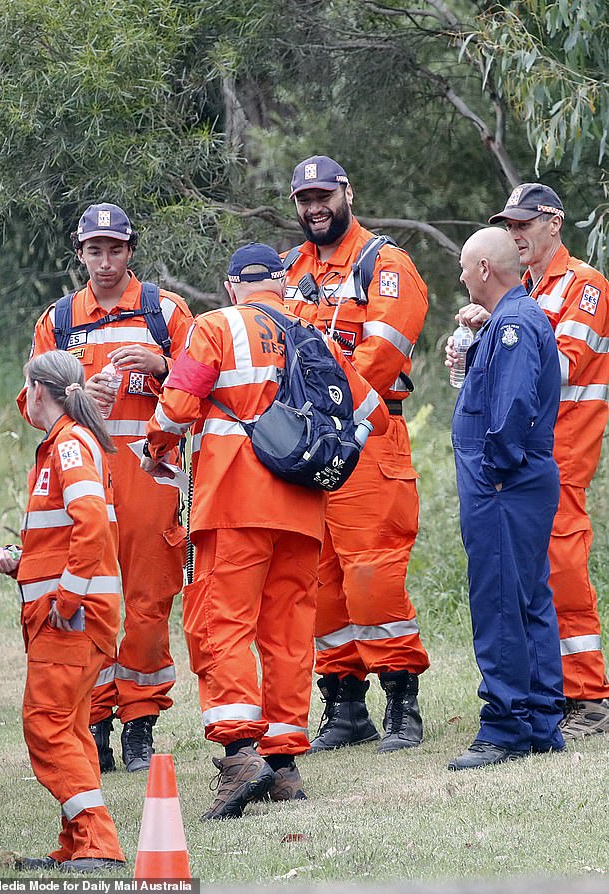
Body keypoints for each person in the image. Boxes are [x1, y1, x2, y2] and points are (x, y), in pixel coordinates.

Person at [141, 243, 389, 820]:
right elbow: (372, 414)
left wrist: (157, 448)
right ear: (281, 283)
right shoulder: (317, 335)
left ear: (232, 287)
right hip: (304, 508)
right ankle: (283, 767)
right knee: (288, 633)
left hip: (232, 501)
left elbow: (177, 408)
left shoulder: (213, 327)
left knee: (220, 623)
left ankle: (238, 754)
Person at [18, 203, 194, 773]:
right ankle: (92, 723)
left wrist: (163, 364)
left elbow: (203, 386)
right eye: (94, 250)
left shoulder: (165, 312)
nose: (106, 261)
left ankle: (140, 723)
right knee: (89, 596)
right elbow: (32, 403)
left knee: (146, 601)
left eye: (115, 249)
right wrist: (78, 399)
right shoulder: (60, 320)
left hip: (149, 479)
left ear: (130, 250)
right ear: (80, 254)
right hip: (83, 480)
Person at [283, 155, 430, 753]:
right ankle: (344, 705)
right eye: (304, 198)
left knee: (371, 572)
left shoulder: (385, 265)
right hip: (309, 444)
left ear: (347, 192)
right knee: (319, 579)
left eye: (324, 195)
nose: (315, 207)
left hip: (367, 436)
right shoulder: (294, 269)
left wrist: (323, 399)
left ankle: (401, 700)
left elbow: (384, 353)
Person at [451, 183, 609, 738]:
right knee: (532, 579)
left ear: (554, 224)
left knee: (559, 570)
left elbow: (555, 368)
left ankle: (588, 695)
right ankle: (552, 694)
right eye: (510, 227)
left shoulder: (583, 285)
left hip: (558, 450)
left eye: (525, 225)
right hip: (530, 451)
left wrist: (492, 329)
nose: (517, 235)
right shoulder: (528, 289)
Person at [0, 350, 125, 871]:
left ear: (37, 391)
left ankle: (98, 845)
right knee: (68, 727)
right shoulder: (65, 446)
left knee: (45, 724)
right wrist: (21, 562)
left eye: (26, 389)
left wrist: (66, 598)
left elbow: (91, 526)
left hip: (70, 617)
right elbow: (69, 535)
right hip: (74, 615)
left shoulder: (68, 446)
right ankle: (76, 845)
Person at [448, 228, 565, 770]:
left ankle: (505, 724)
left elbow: (513, 405)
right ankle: (541, 719)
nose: (462, 276)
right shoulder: (509, 319)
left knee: (498, 599)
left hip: (504, 481)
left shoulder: (514, 323)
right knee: (528, 597)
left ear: (486, 270)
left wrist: (495, 467)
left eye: (466, 268)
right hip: (518, 479)